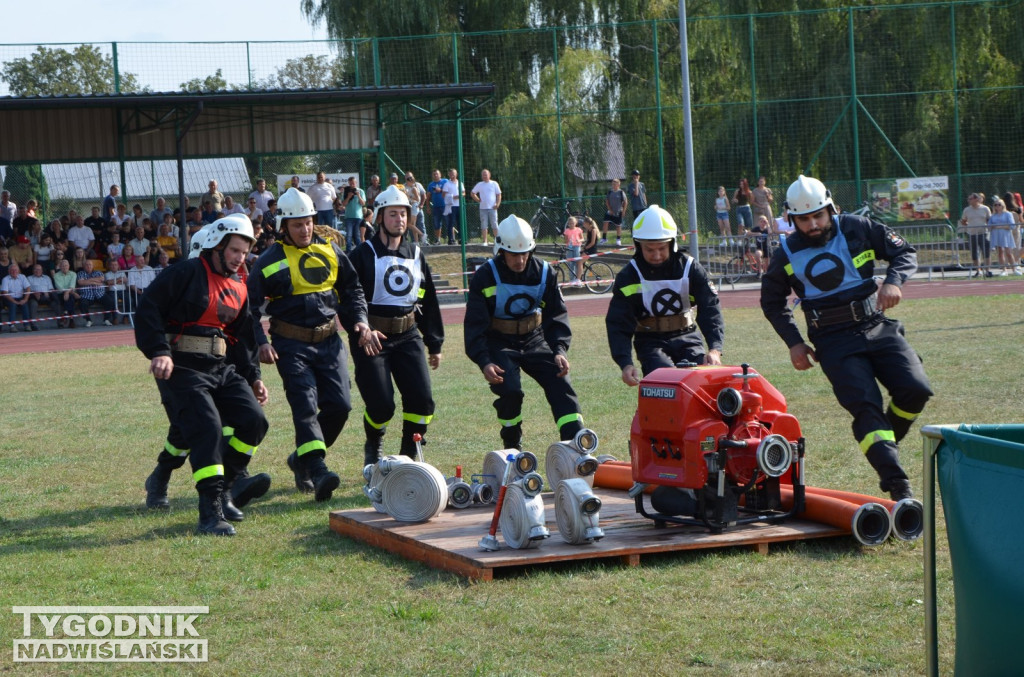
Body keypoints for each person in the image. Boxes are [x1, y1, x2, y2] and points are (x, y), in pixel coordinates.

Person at [760, 175, 932, 501]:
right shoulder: (785, 253)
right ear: (791, 219)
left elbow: (904, 252)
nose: (812, 225)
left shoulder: (857, 227)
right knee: (866, 408)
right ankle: (898, 487)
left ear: (830, 209)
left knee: (916, 389)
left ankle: (883, 445)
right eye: (803, 219)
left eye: (818, 216)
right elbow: (771, 302)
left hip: (877, 324)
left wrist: (894, 281)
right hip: (833, 340)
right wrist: (794, 342)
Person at [135, 215, 269, 535]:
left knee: (255, 421)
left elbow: (242, 337)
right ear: (217, 246)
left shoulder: (239, 286)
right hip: (180, 366)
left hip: (220, 369)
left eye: (244, 252)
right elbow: (148, 309)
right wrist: (159, 351)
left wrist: (253, 377)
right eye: (235, 250)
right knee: (207, 428)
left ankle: (227, 489)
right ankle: (210, 512)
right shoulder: (186, 272)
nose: (240, 258)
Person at [248, 188, 375, 501]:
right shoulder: (268, 261)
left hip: (330, 342)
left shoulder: (331, 250)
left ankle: (300, 458)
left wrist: (360, 318)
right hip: (290, 345)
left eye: (307, 223)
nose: (304, 229)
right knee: (304, 406)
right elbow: (248, 309)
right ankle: (317, 470)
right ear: (283, 227)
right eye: (296, 224)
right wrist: (261, 342)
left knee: (341, 407)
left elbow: (352, 287)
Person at [464, 214, 584, 450]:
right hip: (499, 342)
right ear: (500, 252)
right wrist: (484, 361)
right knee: (510, 391)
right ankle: (512, 445)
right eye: (513, 254)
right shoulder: (484, 276)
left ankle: (576, 446)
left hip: (535, 338)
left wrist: (559, 350)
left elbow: (556, 315)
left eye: (524, 253)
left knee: (561, 382)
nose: (520, 260)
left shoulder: (544, 272)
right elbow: (474, 325)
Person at [348, 185, 444, 464]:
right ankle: (373, 442)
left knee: (423, 401)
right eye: (392, 214)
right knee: (381, 405)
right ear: (380, 217)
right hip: (372, 340)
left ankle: (408, 456)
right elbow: (348, 298)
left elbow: (427, 299)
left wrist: (434, 342)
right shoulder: (363, 254)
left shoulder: (416, 253)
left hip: (408, 335)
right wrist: (361, 328)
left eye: (403, 214)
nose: (399, 219)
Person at [606, 205, 724, 385]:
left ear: (671, 244)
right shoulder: (628, 276)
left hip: (688, 337)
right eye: (649, 249)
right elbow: (618, 322)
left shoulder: (691, 268)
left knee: (702, 385)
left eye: (661, 248)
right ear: (638, 246)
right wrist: (625, 363)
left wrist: (715, 349)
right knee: (666, 384)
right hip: (650, 342)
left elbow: (710, 308)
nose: (656, 255)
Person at [958, 193, 993, 277]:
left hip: (983, 233)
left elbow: (989, 220)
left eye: (970, 199)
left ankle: (987, 270)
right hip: (972, 234)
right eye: (968, 199)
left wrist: (989, 228)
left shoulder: (985, 208)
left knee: (986, 252)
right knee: (974, 253)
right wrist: (967, 226)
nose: (968, 200)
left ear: (976, 199)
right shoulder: (967, 210)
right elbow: (963, 220)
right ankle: (978, 270)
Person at [471, 169, 502, 246]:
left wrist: (497, 204)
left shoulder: (494, 183)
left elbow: (499, 194)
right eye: (483, 175)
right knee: (484, 224)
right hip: (483, 208)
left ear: (489, 175)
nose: (484, 176)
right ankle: (485, 241)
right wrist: (478, 200)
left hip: (493, 208)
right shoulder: (480, 184)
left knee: (494, 224)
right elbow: (472, 193)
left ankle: (497, 240)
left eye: (486, 174)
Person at [987, 198, 1016, 276]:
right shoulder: (993, 216)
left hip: (1006, 235)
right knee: (1000, 252)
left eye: (999, 204)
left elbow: (1012, 225)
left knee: (1009, 252)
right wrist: (994, 227)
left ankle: (1014, 269)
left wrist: (999, 226)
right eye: (995, 205)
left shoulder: (1008, 214)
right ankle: (1004, 270)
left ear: (1003, 205)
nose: (997, 206)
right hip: (997, 235)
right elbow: (989, 226)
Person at [76, 258, 106, 327]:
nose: (88, 266)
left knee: (110, 301)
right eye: (86, 265)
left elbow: (102, 279)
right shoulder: (80, 273)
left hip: (99, 294)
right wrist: (94, 281)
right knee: (82, 303)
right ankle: (88, 320)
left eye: (90, 265)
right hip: (86, 295)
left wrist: (87, 281)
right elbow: (81, 282)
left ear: (92, 266)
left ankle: (106, 319)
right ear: (83, 266)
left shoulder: (98, 272)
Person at [2, 263, 32, 331]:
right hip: (9, 298)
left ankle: (27, 325)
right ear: (9, 271)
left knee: (25, 304)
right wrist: (14, 301)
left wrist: (25, 299)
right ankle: (12, 326)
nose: (14, 272)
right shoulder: (5, 279)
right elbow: (5, 293)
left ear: (18, 271)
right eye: (12, 270)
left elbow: (28, 288)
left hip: (20, 297)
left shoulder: (22, 277)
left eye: (15, 270)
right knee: (13, 305)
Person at [26, 263, 56, 329]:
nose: (37, 271)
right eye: (35, 269)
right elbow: (27, 291)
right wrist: (34, 293)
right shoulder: (29, 278)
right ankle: (33, 325)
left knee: (55, 302)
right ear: (33, 270)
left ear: (42, 270)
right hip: (35, 297)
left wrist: (48, 293)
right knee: (33, 304)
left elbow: (51, 289)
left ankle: (61, 322)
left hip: (46, 296)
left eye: (39, 269)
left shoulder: (47, 278)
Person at [340, 176, 366, 253]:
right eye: (351, 183)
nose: (352, 185)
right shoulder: (346, 191)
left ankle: (359, 252)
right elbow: (343, 204)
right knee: (349, 235)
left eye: (353, 183)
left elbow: (363, 203)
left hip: (358, 217)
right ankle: (348, 252)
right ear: (349, 183)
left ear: (356, 183)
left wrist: (358, 196)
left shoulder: (361, 191)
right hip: (349, 217)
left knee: (357, 235)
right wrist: (348, 197)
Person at [53, 258, 80, 328]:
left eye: (66, 265)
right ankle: (71, 320)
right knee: (71, 298)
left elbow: (72, 285)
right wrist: (71, 293)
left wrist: (68, 292)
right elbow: (60, 287)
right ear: (60, 267)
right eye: (63, 266)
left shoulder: (73, 274)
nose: (64, 267)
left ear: (69, 266)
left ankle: (65, 313)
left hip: (69, 294)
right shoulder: (56, 275)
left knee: (70, 298)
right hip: (60, 294)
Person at [404, 172, 429, 246]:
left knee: (410, 224)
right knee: (413, 225)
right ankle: (416, 241)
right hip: (412, 206)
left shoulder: (414, 188)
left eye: (409, 179)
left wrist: (408, 196)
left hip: (414, 207)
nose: (407, 180)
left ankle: (422, 235)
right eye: (407, 179)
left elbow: (418, 199)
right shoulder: (407, 187)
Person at [602, 178, 627, 245]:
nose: (614, 184)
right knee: (605, 222)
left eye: (615, 183)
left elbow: (625, 202)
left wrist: (624, 211)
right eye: (613, 183)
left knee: (618, 226)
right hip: (610, 212)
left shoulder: (621, 192)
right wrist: (610, 210)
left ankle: (618, 239)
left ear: (619, 184)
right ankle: (604, 239)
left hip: (618, 212)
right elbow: (607, 201)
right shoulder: (610, 192)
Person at [443, 168, 464, 245]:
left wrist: (460, 195)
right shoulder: (447, 184)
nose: (452, 175)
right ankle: (451, 239)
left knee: (460, 223)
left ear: (456, 174)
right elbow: (443, 195)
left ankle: (461, 238)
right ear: (449, 175)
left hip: (459, 205)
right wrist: (452, 197)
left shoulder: (460, 183)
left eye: (454, 173)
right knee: (451, 223)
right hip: (451, 206)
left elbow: (464, 193)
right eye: (451, 174)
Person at [426, 169, 448, 244]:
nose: (435, 175)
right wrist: (428, 207)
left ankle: (452, 239)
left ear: (440, 174)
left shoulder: (445, 181)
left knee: (449, 222)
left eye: (437, 174)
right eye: (434, 174)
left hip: (446, 206)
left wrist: (441, 190)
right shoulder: (431, 185)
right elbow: (428, 197)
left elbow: (450, 191)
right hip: (436, 207)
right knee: (437, 223)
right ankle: (438, 240)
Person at [563, 215, 584, 283]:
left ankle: (578, 278)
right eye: (570, 223)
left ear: (575, 223)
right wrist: (567, 241)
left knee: (577, 262)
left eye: (572, 223)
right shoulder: (567, 231)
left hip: (577, 246)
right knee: (571, 263)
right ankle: (572, 279)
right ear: (568, 224)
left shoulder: (578, 230)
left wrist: (579, 240)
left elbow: (582, 238)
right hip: (569, 247)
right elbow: (565, 241)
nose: (571, 225)